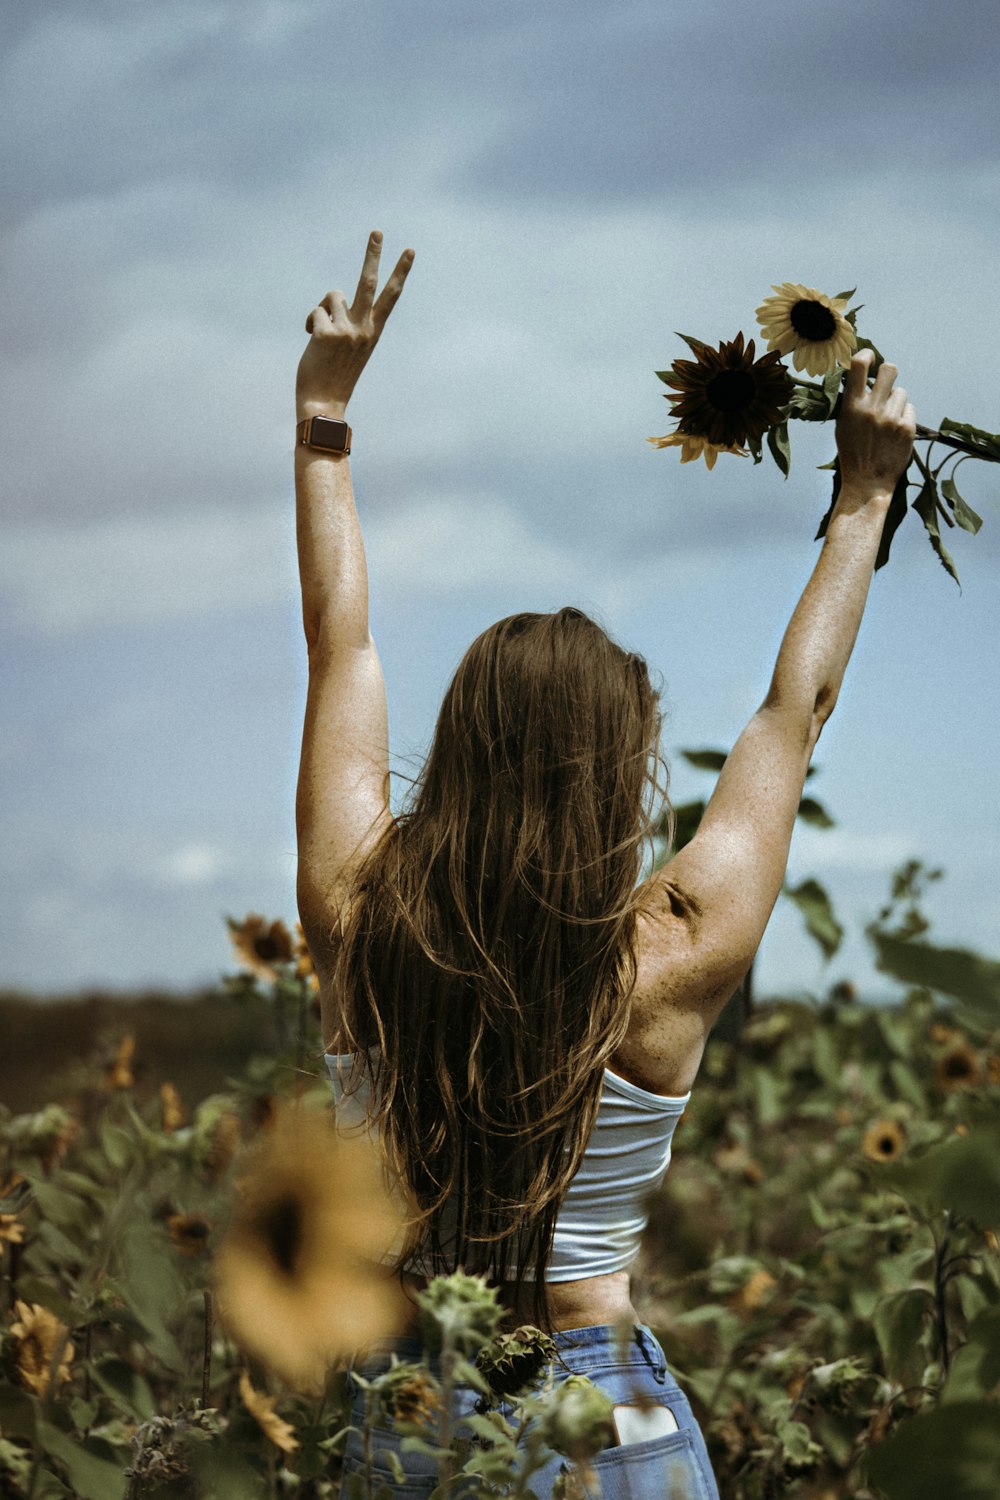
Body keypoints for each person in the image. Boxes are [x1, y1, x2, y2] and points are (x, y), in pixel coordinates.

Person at [294, 231, 917, 1499]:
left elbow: (340, 650)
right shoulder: (675, 951)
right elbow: (794, 711)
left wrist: (323, 418)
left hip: (408, 1406)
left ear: (459, 747)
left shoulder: (361, 914)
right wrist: (864, 497)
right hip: (610, 1413)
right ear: (620, 776)